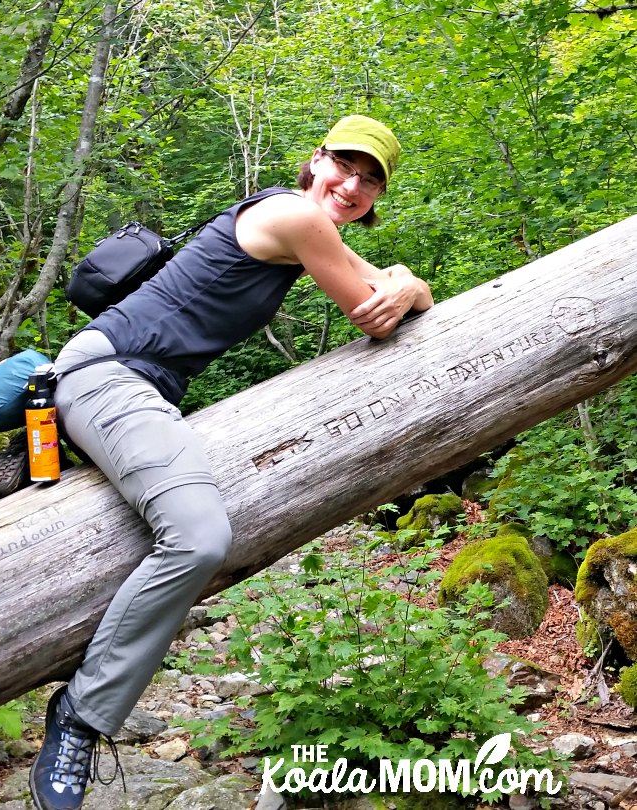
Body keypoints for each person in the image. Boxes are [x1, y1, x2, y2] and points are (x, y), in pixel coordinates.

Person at [28, 114, 434, 810]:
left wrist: (411, 285)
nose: (353, 186)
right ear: (315, 160)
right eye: (345, 166)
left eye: (371, 181)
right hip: (107, 376)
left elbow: (403, 293)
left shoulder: (300, 222)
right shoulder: (293, 216)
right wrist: (404, 287)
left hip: (138, 385)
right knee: (200, 536)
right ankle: (80, 719)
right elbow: (376, 308)